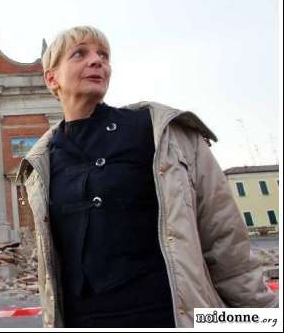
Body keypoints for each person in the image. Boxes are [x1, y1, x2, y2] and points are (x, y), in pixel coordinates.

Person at [16, 26, 277, 328]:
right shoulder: (40, 163)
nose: (97, 61)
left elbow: (225, 242)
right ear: (52, 78)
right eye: (80, 53)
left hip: (168, 317)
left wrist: (264, 318)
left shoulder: (161, 132)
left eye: (103, 55)